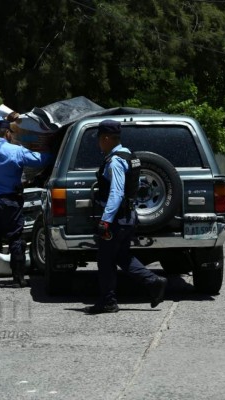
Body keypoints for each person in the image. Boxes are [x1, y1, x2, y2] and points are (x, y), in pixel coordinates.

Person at [84, 119, 167, 314]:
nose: (98, 143)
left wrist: (105, 221)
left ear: (105, 138)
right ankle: (153, 282)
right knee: (122, 256)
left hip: (116, 220)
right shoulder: (130, 155)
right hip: (128, 217)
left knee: (105, 260)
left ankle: (108, 301)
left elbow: (116, 193)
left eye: (99, 139)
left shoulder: (115, 161)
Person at [0, 112, 52, 289]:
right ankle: (18, 278)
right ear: (7, 134)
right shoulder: (17, 151)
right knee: (15, 239)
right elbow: (42, 160)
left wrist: (3, 119)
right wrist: (54, 149)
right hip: (11, 201)